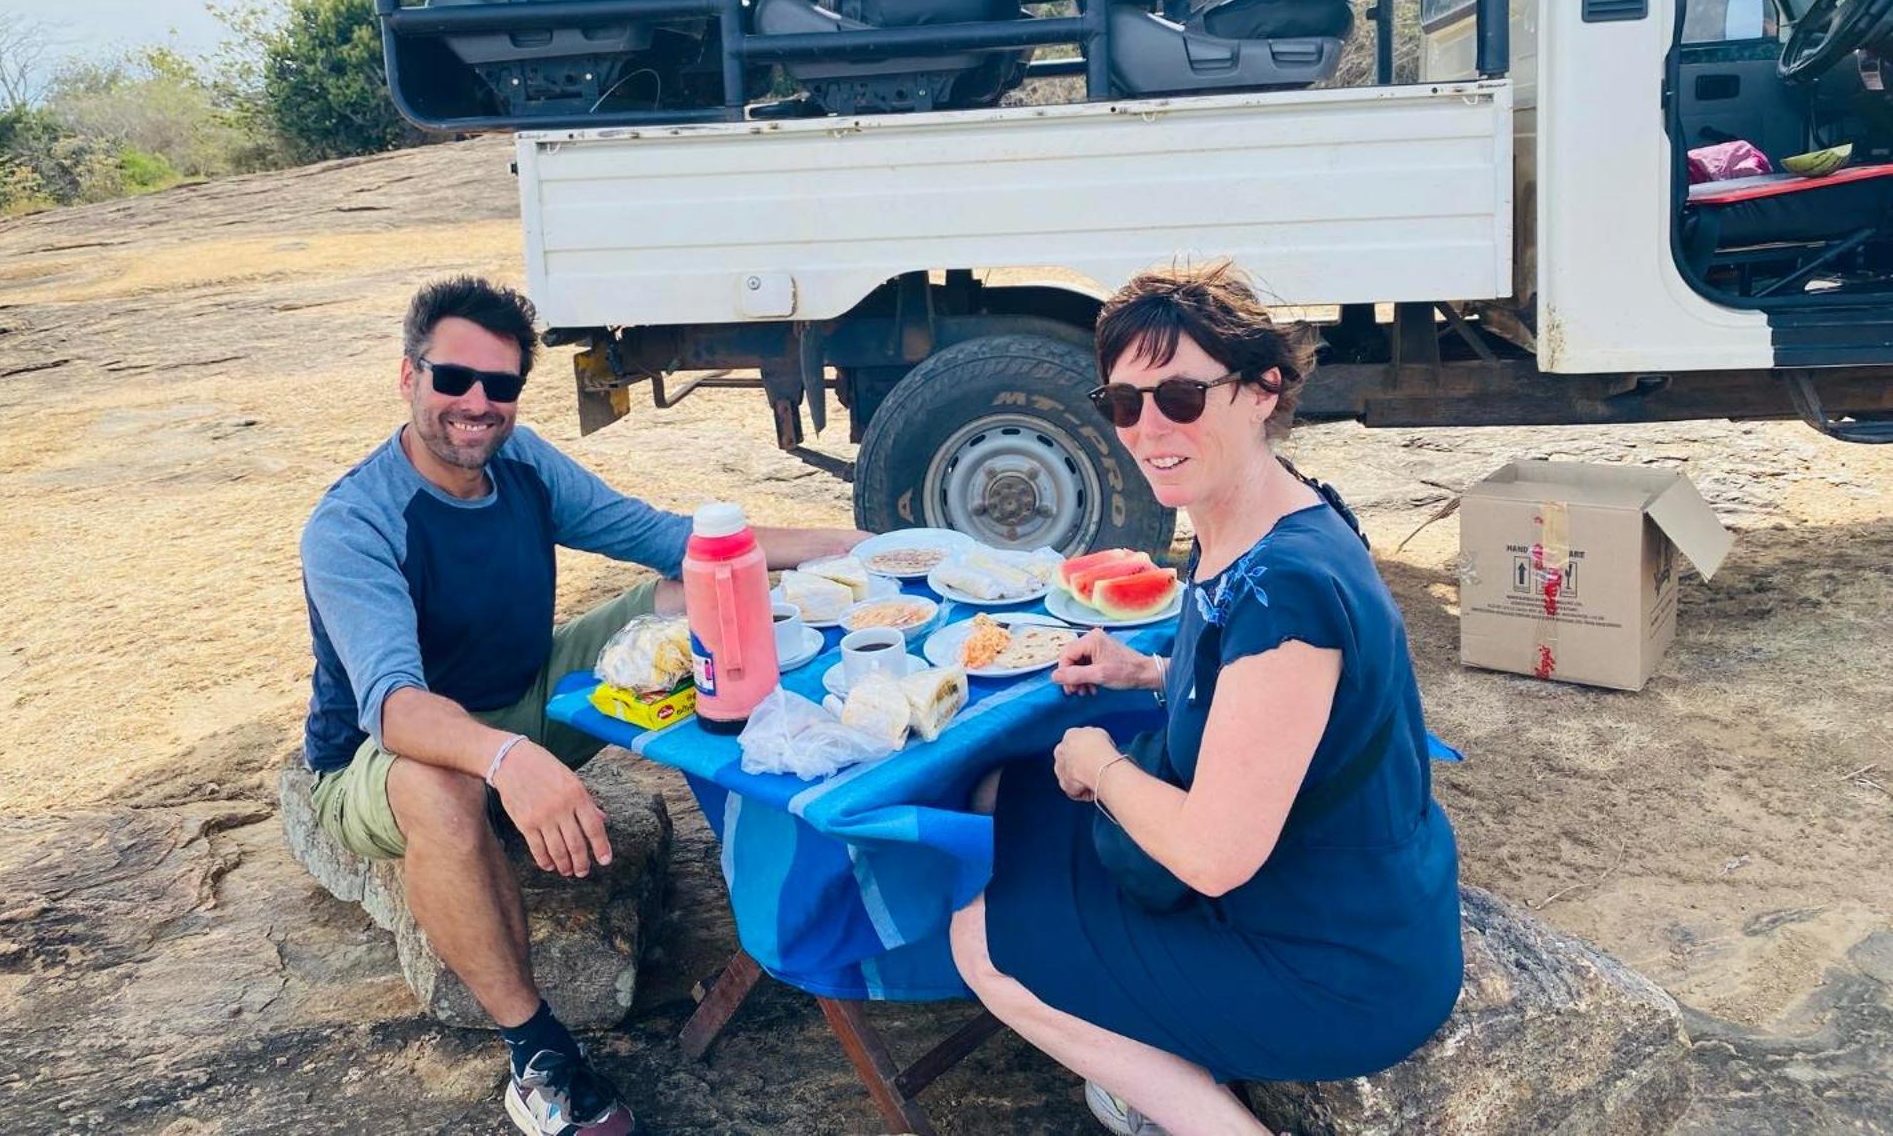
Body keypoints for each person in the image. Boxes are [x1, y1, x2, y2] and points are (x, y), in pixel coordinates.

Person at [299, 276, 864, 1136]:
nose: (477, 405)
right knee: (436, 787)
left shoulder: (520, 464)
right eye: (454, 379)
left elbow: (671, 539)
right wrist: (508, 761)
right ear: (408, 376)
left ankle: (799, 795)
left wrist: (848, 547)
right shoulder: (356, 523)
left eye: (502, 386)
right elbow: (395, 706)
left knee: (692, 595)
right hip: (385, 754)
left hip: (525, 693)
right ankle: (537, 1051)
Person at [948, 262, 1463, 1136]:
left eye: (1181, 397)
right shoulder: (1267, 511)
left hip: (1331, 963)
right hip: (1331, 891)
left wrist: (1101, 764)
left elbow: (1216, 855)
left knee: (982, 941)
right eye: (1123, 403)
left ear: (1263, 390)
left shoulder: (1284, 590)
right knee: (1000, 796)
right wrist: (1147, 674)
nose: (1149, 429)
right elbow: (1273, 693)